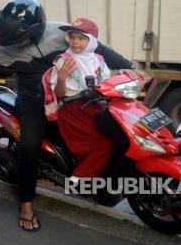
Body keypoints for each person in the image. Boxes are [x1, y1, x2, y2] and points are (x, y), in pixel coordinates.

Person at [0, 0, 140, 232]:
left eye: (19, 39)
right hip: (33, 100)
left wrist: (129, 67)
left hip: (73, 97)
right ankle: (26, 204)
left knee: (109, 127)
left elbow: (98, 47)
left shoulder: (62, 33)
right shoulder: (7, 47)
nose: (15, 45)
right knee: (29, 147)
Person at [49, 17, 149, 181]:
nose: (75, 42)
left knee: (121, 136)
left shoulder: (99, 60)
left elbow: (105, 83)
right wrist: (61, 78)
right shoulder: (64, 60)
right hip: (73, 110)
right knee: (102, 145)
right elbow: (59, 92)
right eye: (72, 37)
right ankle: (79, 179)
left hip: (94, 106)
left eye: (81, 38)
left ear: (91, 42)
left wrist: (122, 73)